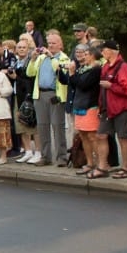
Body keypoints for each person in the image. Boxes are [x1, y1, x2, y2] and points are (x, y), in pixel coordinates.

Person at [27, 31, 71, 166]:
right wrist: (33, 59)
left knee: (58, 127)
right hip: (40, 94)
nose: (50, 45)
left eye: (54, 43)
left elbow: (58, 70)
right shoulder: (41, 58)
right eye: (49, 43)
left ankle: (61, 157)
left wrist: (52, 57)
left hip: (55, 95)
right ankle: (46, 157)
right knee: (42, 127)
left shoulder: (63, 59)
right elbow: (30, 73)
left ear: (60, 45)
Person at [96, 39, 127, 179]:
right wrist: (100, 106)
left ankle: (126, 168)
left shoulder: (123, 67)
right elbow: (102, 91)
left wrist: (111, 86)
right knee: (101, 135)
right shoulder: (106, 66)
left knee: (122, 137)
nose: (101, 53)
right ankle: (102, 167)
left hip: (122, 108)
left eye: (103, 50)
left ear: (111, 51)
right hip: (107, 108)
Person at [66, 43, 102, 176]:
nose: (84, 57)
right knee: (83, 135)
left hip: (90, 105)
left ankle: (100, 164)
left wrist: (72, 73)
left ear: (93, 56)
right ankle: (89, 163)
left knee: (92, 136)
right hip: (79, 105)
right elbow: (74, 83)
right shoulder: (83, 68)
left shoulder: (96, 69)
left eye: (86, 54)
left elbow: (83, 84)